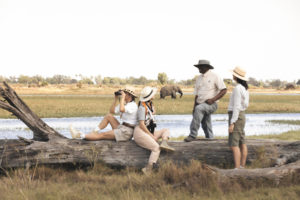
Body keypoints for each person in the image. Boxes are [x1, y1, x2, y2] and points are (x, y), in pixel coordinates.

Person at [70, 87, 138, 141]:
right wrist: (115, 99)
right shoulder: (125, 104)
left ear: (129, 95)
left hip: (126, 132)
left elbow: (121, 109)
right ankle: (94, 131)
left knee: (103, 135)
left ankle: (80, 135)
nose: (123, 94)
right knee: (109, 116)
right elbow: (112, 111)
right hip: (122, 128)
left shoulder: (133, 105)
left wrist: (122, 98)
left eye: (125, 93)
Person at [133, 86, 175, 175]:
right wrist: (151, 136)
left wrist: (152, 110)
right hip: (140, 132)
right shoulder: (142, 108)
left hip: (148, 130)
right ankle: (148, 168)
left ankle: (164, 142)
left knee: (166, 130)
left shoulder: (149, 104)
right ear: (149, 96)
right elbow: (141, 125)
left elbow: (151, 114)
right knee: (156, 148)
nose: (155, 95)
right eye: (153, 94)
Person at [184, 59, 227, 142]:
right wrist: (194, 107)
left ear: (206, 67)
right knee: (206, 123)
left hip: (211, 104)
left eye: (200, 67)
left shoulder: (215, 76)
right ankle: (210, 140)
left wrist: (213, 99)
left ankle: (192, 135)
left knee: (199, 109)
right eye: (198, 67)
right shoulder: (198, 78)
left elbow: (224, 90)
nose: (198, 68)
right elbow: (197, 94)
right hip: (200, 104)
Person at [228, 66, 249, 169]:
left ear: (236, 77)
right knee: (242, 141)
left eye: (233, 74)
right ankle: (242, 166)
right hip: (242, 115)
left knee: (234, 144)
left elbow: (236, 107)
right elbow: (245, 105)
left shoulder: (237, 89)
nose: (232, 75)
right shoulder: (244, 88)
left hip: (236, 116)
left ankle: (237, 169)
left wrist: (232, 122)